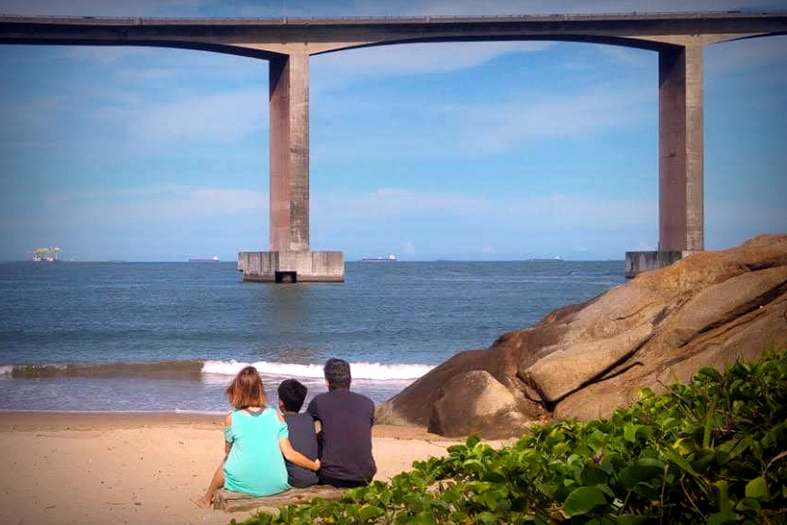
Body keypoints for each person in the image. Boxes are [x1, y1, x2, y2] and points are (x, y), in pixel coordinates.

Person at [194, 366, 320, 507]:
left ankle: (207, 498)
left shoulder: (232, 418)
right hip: (276, 485)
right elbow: (289, 454)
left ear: (237, 390)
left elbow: (228, 452)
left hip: (242, 484)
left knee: (226, 460)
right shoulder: (276, 415)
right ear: (260, 389)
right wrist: (314, 465)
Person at [307, 358, 376, 487]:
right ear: (350, 380)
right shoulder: (368, 403)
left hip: (331, 476)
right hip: (365, 475)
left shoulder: (320, 401)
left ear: (327, 382)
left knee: (313, 439)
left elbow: (304, 427)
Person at [277, 379, 319, 488]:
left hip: (291, 481)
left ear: (281, 402)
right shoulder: (309, 419)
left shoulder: (278, 422)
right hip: (313, 478)